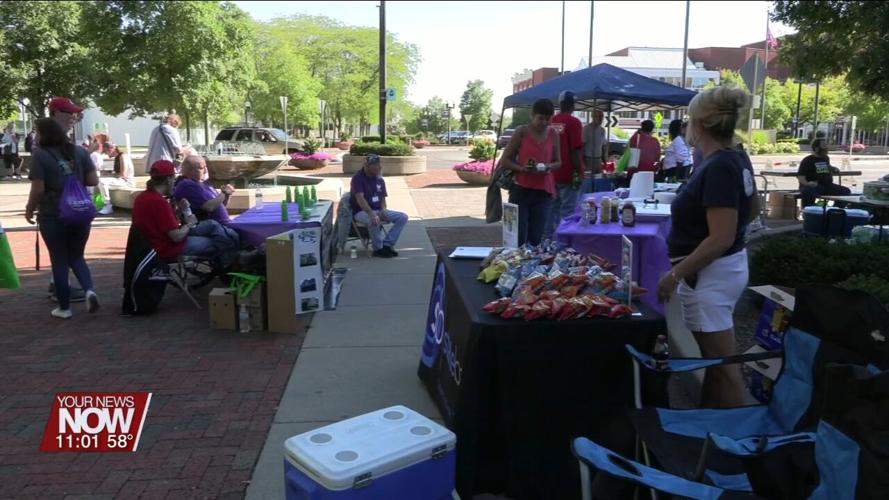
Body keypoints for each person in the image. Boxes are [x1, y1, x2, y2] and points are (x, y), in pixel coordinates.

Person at [657, 85, 757, 408]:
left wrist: (674, 275)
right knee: (716, 365)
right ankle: (711, 428)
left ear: (700, 124)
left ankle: (741, 443)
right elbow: (751, 209)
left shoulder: (718, 167)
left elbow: (721, 237)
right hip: (722, 271)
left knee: (725, 367)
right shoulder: (736, 157)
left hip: (710, 277)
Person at [24, 118, 100, 319]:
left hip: (53, 213)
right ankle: (89, 290)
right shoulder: (81, 151)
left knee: (59, 259)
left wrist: (30, 209)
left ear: (44, 134)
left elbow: (38, 189)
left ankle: (64, 308)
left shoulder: (40, 155)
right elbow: (93, 180)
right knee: (77, 256)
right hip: (80, 212)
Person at [132, 160, 219, 264]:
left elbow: (165, 224)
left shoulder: (142, 198)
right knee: (214, 242)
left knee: (212, 227)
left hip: (150, 245)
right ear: (168, 179)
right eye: (173, 179)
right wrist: (189, 223)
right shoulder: (160, 202)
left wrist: (179, 210)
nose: (174, 182)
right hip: (166, 248)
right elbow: (176, 237)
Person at [500, 98, 561, 246]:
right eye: (541, 118)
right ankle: (515, 264)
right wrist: (522, 168)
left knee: (536, 236)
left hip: (543, 193)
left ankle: (531, 265)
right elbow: (505, 160)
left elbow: (559, 162)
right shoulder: (521, 132)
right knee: (517, 236)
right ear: (532, 115)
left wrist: (547, 167)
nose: (544, 122)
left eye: (548, 119)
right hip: (521, 190)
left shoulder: (553, 134)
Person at [173, 155, 240, 265]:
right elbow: (209, 207)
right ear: (189, 170)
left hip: (221, 223)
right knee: (230, 235)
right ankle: (229, 266)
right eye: (201, 167)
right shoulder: (187, 184)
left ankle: (233, 262)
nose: (205, 170)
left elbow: (220, 205)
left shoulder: (205, 184)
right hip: (201, 225)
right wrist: (224, 193)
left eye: (205, 167)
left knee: (238, 232)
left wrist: (226, 195)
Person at [349, 154, 409, 258]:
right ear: (367, 166)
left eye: (379, 164)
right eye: (376, 165)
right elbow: (360, 199)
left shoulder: (379, 179)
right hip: (361, 211)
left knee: (402, 217)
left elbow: (382, 198)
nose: (380, 167)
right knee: (373, 220)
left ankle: (387, 244)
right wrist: (371, 214)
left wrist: (383, 209)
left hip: (378, 209)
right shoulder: (357, 178)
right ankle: (378, 249)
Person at [544, 91, 584, 239]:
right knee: (568, 210)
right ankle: (563, 242)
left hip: (551, 173)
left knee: (551, 208)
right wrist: (579, 171)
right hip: (568, 173)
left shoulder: (550, 121)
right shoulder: (574, 122)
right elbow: (575, 149)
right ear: (572, 104)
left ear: (560, 104)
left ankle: (546, 241)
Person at [796, 137, 851, 207]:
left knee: (845, 191)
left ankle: (833, 209)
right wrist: (807, 183)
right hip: (813, 186)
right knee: (809, 192)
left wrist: (833, 168)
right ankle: (811, 210)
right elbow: (801, 176)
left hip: (827, 185)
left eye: (826, 145)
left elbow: (826, 167)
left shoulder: (825, 158)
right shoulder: (807, 160)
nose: (826, 148)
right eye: (824, 146)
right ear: (816, 148)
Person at [95, 143, 136, 215]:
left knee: (102, 181)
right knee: (97, 180)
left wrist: (108, 174)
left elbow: (123, 174)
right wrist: (107, 173)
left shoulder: (123, 156)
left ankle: (107, 205)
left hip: (126, 182)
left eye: (106, 151)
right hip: (120, 180)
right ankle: (97, 203)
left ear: (111, 149)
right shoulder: (118, 157)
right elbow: (117, 173)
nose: (106, 154)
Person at [582, 110, 608, 191]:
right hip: (588, 159)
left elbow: (603, 146)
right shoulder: (586, 129)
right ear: (593, 117)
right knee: (589, 182)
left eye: (602, 117)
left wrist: (604, 161)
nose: (601, 119)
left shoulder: (602, 130)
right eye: (598, 117)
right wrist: (582, 162)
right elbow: (582, 145)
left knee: (598, 181)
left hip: (598, 160)